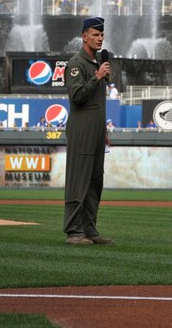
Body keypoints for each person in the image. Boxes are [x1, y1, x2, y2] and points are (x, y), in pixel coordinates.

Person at [63, 16, 113, 246]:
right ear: (84, 36)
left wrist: (103, 130)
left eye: (101, 35)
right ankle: (74, 231)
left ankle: (89, 229)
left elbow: (98, 103)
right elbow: (77, 97)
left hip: (95, 131)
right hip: (82, 130)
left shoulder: (96, 64)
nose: (100, 38)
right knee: (79, 179)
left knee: (95, 181)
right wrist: (97, 77)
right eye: (95, 34)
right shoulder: (77, 64)